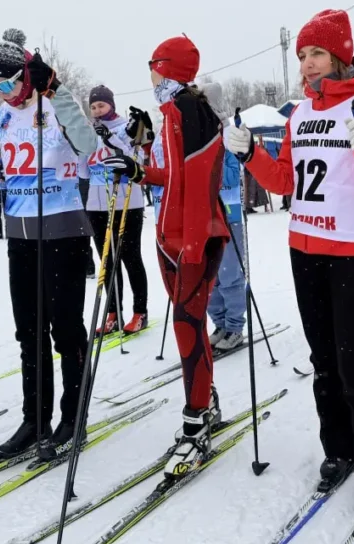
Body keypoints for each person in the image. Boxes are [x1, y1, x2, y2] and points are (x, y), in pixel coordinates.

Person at [224, 9, 354, 518]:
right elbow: (285, 180)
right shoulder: (300, 115)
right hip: (304, 247)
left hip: (352, 250)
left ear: (341, 55)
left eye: (317, 54)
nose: (307, 64)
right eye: (303, 55)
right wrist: (251, 156)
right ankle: (341, 448)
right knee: (323, 359)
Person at [0, 29, 97, 461]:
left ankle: (73, 415)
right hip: (20, 235)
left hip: (62, 232)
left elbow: (87, 144)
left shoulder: (57, 106)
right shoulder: (4, 117)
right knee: (29, 332)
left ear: (26, 76)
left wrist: (57, 90)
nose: (3, 94)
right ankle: (35, 418)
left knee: (66, 329)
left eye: (8, 84)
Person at [101, 34, 230, 481]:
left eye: (153, 66)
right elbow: (174, 177)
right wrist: (138, 169)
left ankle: (196, 425)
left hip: (190, 239)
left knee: (187, 328)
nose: (150, 75)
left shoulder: (190, 112)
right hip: (174, 235)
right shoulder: (173, 111)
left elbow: (198, 186)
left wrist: (192, 244)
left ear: (168, 68)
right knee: (187, 326)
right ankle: (205, 402)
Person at [79, 85, 150, 335]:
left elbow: (134, 158)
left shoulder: (124, 125)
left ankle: (140, 311)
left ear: (111, 104)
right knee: (107, 261)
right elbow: (83, 169)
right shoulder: (89, 130)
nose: (97, 110)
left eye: (101, 105)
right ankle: (113, 313)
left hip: (126, 200)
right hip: (97, 204)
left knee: (131, 257)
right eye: (94, 106)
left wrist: (109, 137)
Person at [197, 82, 246, 353]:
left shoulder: (229, 134)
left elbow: (231, 177)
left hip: (229, 213)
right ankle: (221, 323)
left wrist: (207, 170)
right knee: (210, 275)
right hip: (204, 215)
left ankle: (235, 326)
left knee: (230, 275)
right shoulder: (198, 134)